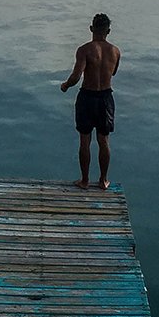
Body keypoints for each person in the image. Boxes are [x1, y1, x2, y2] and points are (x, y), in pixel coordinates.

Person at [60, 12, 121, 189]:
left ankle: (85, 180)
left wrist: (65, 85)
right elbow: (113, 72)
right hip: (105, 98)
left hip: (87, 97)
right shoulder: (115, 51)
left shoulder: (84, 50)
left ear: (91, 28)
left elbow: (76, 76)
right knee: (104, 140)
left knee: (84, 140)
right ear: (108, 31)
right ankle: (103, 180)